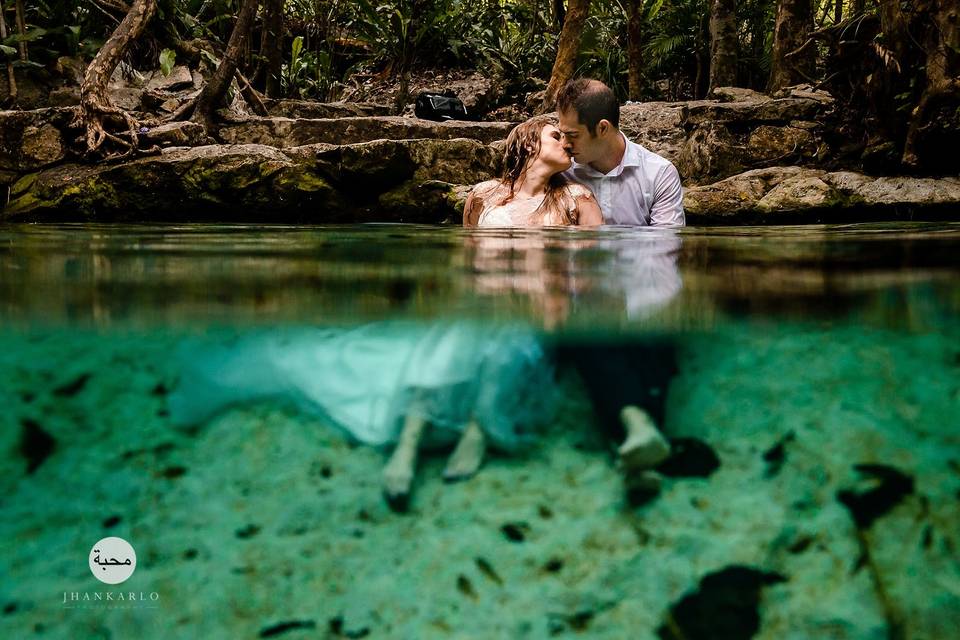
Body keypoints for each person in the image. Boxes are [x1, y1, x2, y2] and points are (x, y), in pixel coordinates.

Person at [167, 321, 556, 512]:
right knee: (462, 324)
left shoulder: (575, 196)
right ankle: (410, 442)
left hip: (532, 314)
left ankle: (477, 427)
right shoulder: (486, 196)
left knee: (515, 330)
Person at [557, 78, 685, 228]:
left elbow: (665, 244)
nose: (564, 144)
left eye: (573, 135)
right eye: (562, 134)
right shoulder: (561, 170)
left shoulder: (659, 174)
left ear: (603, 128)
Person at [463, 114, 604, 227]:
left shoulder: (578, 197)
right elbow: (470, 253)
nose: (567, 145)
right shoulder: (483, 195)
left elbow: (594, 256)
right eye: (556, 137)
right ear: (529, 144)